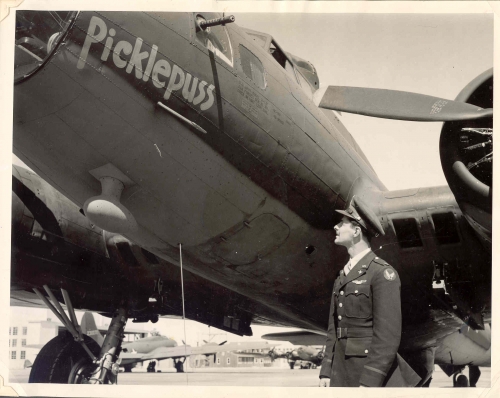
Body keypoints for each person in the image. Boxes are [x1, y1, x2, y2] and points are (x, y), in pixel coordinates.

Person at [319, 196, 419, 387]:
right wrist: (326, 371)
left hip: (367, 375)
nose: (336, 227)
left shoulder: (382, 273)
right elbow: (334, 329)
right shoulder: (342, 276)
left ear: (356, 231)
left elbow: (387, 337)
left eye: (342, 223)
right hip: (340, 373)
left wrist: (370, 380)